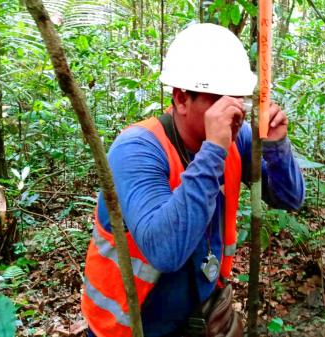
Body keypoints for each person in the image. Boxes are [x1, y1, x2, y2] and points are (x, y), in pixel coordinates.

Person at [81, 23, 305, 337]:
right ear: (181, 99)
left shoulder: (235, 137)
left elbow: (289, 198)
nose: (233, 113)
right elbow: (166, 251)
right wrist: (214, 150)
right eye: (219, 101)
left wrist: (277, 146)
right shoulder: (135, 150)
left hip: (199, 315)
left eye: (237, 99)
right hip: (131, 326)